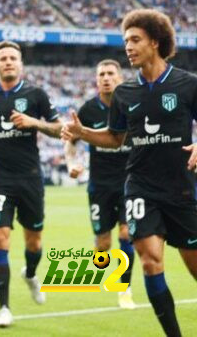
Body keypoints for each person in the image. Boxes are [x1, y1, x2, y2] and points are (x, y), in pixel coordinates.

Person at [61, 9, 197, 337]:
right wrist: (83, 134)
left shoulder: (187, 84)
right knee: (150, 259)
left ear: (155, 41)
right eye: (125, 41)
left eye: (135, 40)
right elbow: (115, 137)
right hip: (140, 187)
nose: (128, 47)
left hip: (182, 189)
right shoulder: (125, 94)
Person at [0, 40, 62, 327]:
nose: (7, 62)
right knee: (0, 238)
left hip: (30, 178)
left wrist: (34, 122)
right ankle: (3, 308)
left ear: (21, 63)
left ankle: (30, 274)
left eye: (12, 57)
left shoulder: (36, 94)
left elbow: (59, 128)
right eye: (2, 58)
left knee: (34, 240)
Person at [63, 59, 136, 309]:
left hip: (130, 183)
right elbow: (71, 141)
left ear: (120, 77)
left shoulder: (132, 106)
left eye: (110, 74)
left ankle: (123, 288)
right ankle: (100, 254)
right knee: (103, 244)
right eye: (101, 74)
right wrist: (71, 163)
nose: (106, 78)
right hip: (100, 186)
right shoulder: (87, 110)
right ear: (96, 80)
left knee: (127, 233)